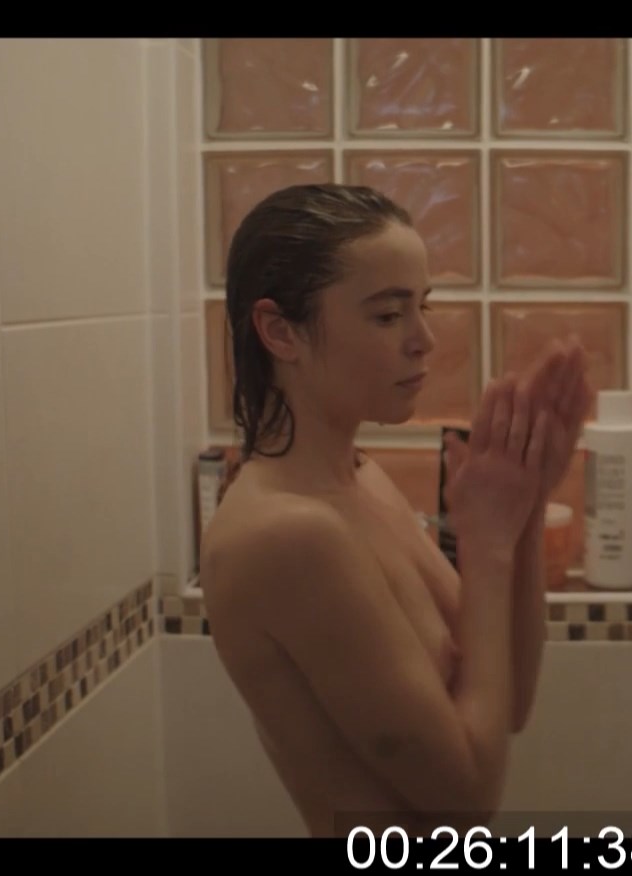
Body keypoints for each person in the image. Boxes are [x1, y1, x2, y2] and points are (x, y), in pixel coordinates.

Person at [197, 183, 591, 837]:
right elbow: (468, 796)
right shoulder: (284, 535)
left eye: (422, 307)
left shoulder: (364, 482)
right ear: (280, 331)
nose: (424, 340)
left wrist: (522, 511)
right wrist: (485, 544)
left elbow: (508, 701)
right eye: (387, 316)